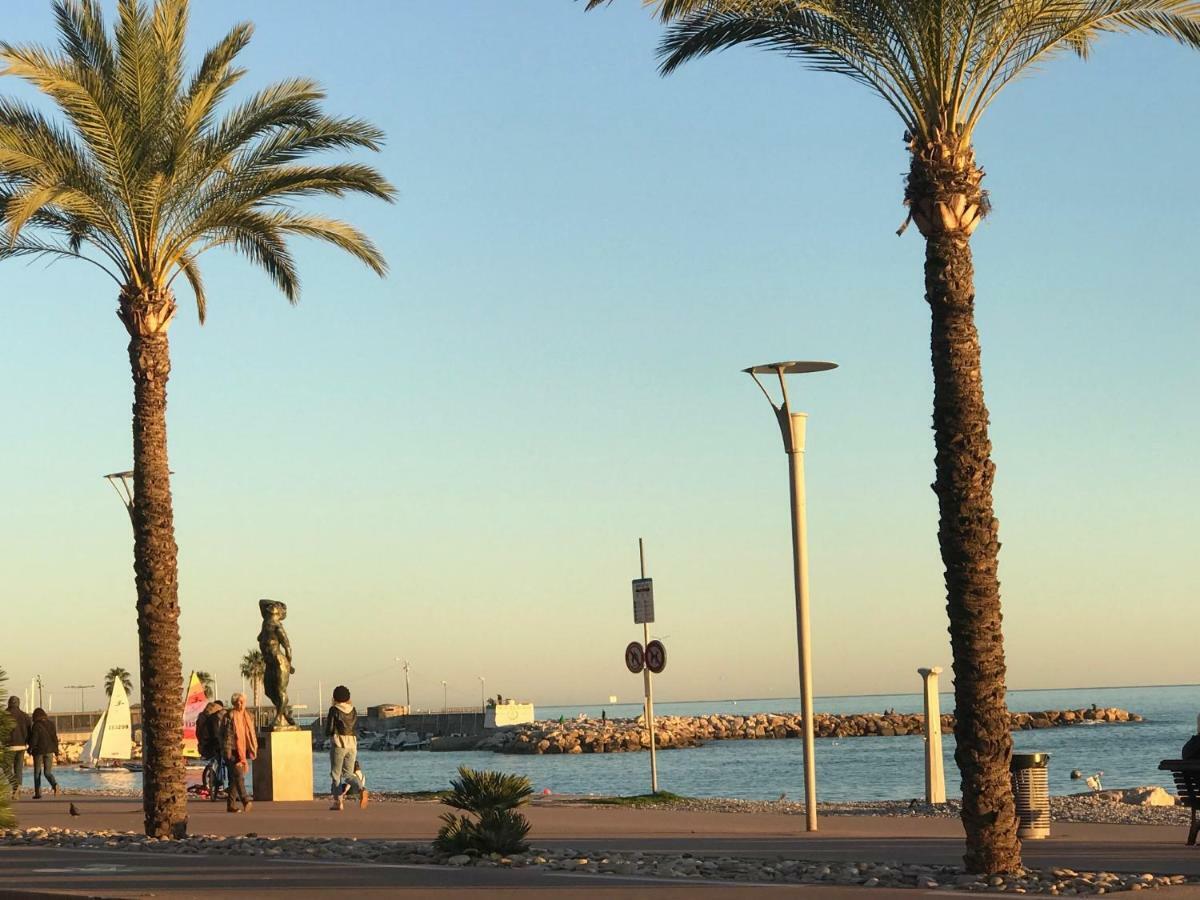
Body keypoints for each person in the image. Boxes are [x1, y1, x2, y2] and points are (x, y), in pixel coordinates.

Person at [325, 685, 367, 810]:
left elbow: (330, 728)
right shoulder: (353, 710)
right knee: (348, 774)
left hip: (339, 744)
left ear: (335, 697)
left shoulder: (334, 709)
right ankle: (361, 789)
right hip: (352, 744)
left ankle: (338, 802)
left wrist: (329, 734)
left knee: (336, 774)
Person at [222, 693, 257, 813]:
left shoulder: (248, 717)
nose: (240, 704)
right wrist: (226, 752)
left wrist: (252, 748)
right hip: (231, 751)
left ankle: (230, 805)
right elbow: (224, 735)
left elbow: (250, 735)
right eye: (238, 702)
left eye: (242, 702)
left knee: (234, 779)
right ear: (234, 704)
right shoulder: (229, 716)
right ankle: (245, 800)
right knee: (239, 776)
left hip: (242, 751)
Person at [197, 700, 227, 801]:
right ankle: (221, 785)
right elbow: (216, 733)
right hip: (213, 745)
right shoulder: (214, 718)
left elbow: (198, 733)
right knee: (223, 761)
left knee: (216, 761)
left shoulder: (201, 717)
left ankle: (214, 780)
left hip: (203, 745)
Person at [28, 708, 59, 799]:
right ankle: (55, 785)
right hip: (49, 751)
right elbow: (54, 738)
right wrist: (56, 750)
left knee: (37, 772)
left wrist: (30, 749)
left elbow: (34, 739)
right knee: (47, 772)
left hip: (38, 751)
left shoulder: (36, 725)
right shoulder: (51, 724)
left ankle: (38, 793)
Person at [4, 696, 32, 798]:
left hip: (9, 746)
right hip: (21, 746)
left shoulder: (4, 715)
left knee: (6, 767)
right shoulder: (24, 715)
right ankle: (18, 787)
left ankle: (15, 786)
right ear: (18, 703)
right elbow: (30, 731)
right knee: (18, 769)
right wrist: (29, 744)